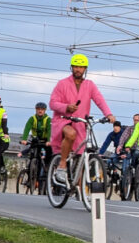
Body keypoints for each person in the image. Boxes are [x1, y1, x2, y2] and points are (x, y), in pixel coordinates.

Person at [49, 54, 115, 184]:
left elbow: (99, 100)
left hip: (80, 123)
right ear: (71, 68)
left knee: (81, 155)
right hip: (63, 120)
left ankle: (79, 188)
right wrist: (66, 107)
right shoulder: (62, 84)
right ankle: (62, 166)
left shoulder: (90, 85)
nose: (78, 69)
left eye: (81, 67)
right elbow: (52, 103)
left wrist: (108, 114)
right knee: (70, 134)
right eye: (76, 66)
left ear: (85, 69)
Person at [20, 102, 53, 167]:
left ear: (45, 110)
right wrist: (24, 139)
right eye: (38, 109)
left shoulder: (48, 119)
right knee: (32, 155)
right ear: (36, 110)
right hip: (35, 139)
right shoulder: (32, 118)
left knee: (48, 154)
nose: (40, 111)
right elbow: (27, 128)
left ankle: (47, 169)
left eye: (42, 109)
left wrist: (49, 141)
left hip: (45, 140)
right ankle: (30, 171)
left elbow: (50, 130)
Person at [117, 114, 139, 185]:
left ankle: (135, 172)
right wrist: (120, 145)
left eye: (137, 120)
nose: (136, 122)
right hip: (130, 149)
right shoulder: (129, 128)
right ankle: (125, 177)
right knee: (125, 157)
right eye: (135, 120)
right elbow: (123, 137)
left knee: (137, 155)